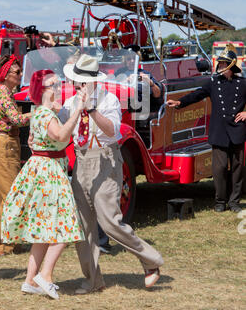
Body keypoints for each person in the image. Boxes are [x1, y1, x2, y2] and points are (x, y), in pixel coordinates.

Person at [60, 54, 164, 294]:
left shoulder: (109, 100)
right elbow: (63, 131)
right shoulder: (70, 102)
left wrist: (92, 110)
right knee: (82, 225)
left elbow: (113, 130)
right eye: (76, 81)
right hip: (82, 160)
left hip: (105, 159)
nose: (78, 85)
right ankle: (92, 280)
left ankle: (151, 261)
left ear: (92, 81)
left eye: (81, 81)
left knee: (109, 221)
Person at [1, 70, 85, 299]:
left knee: (43, 229)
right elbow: (60, 136)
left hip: (41, 169)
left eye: (58, 83)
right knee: (64, 226)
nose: (57, 87)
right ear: (42, 89)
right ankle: (45, 276)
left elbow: (36, 137)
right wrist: (76, 112)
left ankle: (30, 280)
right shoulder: (45, 115)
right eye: (52, 84)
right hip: (50, 172)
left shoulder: (39, 112)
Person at [167, 44, 246, 213]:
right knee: (219, 168)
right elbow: (197, 94)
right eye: (221, 64)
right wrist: (180, 102)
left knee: (238, 168)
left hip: (237, 130)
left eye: (224, 64)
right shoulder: (214, 83)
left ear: (231, 66)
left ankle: (234, 202)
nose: (221, 67)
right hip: (219, 131)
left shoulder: (243, 83)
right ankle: (220, 201)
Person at [0, 55, 31, 256]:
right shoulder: (3, 95)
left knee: (11, 195)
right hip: (4, 145)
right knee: (9, 197)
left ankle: (11, 242)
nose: (20, 74)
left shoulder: (7, 93)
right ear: (5, 75)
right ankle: (0, 245)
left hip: (8, 144)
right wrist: (38, 112)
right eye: (16, 72)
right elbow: (16, 120)